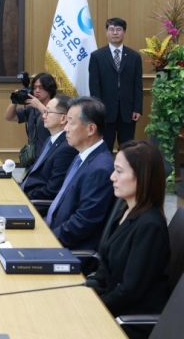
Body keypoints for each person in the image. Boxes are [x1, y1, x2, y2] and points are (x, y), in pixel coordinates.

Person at [86, 140, 170, 339]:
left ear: (142, 177)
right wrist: (83, 291)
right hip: (112, 305)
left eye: (119, 171)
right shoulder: (124, 210)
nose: (112, 177)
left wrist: (94, 310)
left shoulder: (150, 226)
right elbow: (105, 270)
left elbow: (129, 291)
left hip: (128, 321)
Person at [46, 97, 115, 250]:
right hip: (53, 230)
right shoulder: (81, 156)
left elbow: (82, 224)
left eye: (71, 122)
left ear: (91, 129)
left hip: (68, 249)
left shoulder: (100, 169)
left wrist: (46, 238)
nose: (65, 128)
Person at [89, 17, 143, 152]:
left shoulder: (134, 56)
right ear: (107, 32)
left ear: (124, 32)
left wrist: (137, 108)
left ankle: (127, 172)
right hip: (105, 111)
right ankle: (105, 172)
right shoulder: (97, 56)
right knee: (104, 146)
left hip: (128, 111)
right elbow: (94, 86)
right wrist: (98, 109)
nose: (115, 33)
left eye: (118, 29)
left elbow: (138, 84)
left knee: (127, 147)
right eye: (111, 29)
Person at [21, 95, 78, 209]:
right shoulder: (50, 140)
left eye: (48, 112)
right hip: (27, 190)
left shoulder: (66, 149)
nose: (44, 116)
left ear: (63, 119)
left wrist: (23, 196)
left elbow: (52, 190)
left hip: (36, 201)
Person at [4, 72, 56, 164]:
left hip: (49, 157)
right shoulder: (32, 108)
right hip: (33, 158)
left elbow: (54, 119)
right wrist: (14, 100)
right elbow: (9, 117)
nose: (37, 91)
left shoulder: (57, 107)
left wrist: (39, 105)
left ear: (50, 89)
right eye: (34, 88)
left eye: (41, 87)